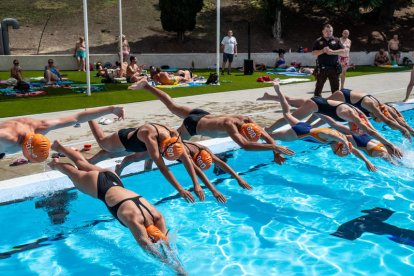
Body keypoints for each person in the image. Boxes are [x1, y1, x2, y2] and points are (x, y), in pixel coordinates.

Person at [48, 141, 186, 275]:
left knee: (82, 164)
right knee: (72, 172)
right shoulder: (135, 220)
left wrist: (176, 263)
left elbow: (166, 242)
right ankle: (55, 164)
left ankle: (58, 146)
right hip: (99, 186)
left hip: (113, 178)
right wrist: (173, 267)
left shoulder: (157, 215)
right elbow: (145, 244)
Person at [129, 80, 295, 165]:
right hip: (192, 126)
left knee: (172, 105)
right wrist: (274, 147)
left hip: (202, 115)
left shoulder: (246, 120)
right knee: (167, 146)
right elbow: (246, 146)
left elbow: (264, 135)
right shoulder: (231, 127)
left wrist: (276, 151)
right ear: (243, 132)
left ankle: (147, 87)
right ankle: (147, 159)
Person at [85, 120, 212, 203]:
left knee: (113, 154)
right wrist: (180, 189)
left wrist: (196, 184)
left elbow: (186, 160)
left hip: (138, 144)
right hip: (124, 140)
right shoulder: (150, 137)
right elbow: (163, 168)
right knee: (104, 145)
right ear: (163, 147)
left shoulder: (173, 135)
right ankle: (90, 116)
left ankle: (89, 162)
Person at [261, 87, 403, 159]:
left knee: (291, 105)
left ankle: (272, 95)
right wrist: (390, 144)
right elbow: (370, 132)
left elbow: (371, 131)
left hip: (319, 108)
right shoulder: (352, 117)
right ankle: (269, 128)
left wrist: (387, 143)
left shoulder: (359, 118)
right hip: (316, 105)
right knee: (289, 115)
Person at [269, 81, 377, 172]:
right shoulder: (334, 137)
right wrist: (343, 142)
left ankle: (278, 90)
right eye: (334, 151)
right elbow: (329, 133)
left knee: (286, 114)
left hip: (304, 127)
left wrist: (366, 161)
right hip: (298, 133)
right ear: (337, 146)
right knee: (271, 135)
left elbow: (354, 150)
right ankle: (264, 138)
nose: (332, 150)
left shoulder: (339, 139)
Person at [262, 88, 414, 140]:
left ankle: (271, 96)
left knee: (311, 111)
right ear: (378, 114)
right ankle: (273, 101)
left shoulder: (389, 109)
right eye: (376, 118)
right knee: (309, 112)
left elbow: (401, 121)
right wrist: (402, 131)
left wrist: (408, 131)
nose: (374, 119)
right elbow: (387, 122)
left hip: (343, 105)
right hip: (342, 97)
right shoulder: (373, 106)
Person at [0, 106, 125, 162]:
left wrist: (111, 109)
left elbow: (77, 118)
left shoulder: (41, 127)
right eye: (29, 158)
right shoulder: (8, 138)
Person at [316, 113, 393, 164]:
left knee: (394, 164)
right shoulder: (358, 132)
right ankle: (318, 112)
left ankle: (318, 112)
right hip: (379, 145)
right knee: (397, 162)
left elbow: (354, 148)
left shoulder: (349, 135)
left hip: (373, 150)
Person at [312, 24, 345, 97]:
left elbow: (343, 51)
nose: (328, 32)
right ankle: (317, 103)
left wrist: (332, 52)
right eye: (326, 31)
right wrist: (322, 51)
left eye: (330, 31)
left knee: (335, 89)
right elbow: (313, 53)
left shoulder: (336, 40)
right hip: (322, 68)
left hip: (334, 68)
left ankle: (335, 104)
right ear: (323, 31)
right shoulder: (318, 41)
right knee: (318, 88)